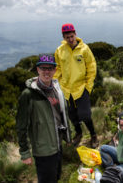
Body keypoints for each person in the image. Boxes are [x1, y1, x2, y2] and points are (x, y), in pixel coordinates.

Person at [16, 54, 71, 183]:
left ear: (55, 70)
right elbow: (21, 125)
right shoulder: (28, 94)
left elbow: (63, 114)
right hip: (43, 149)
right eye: (43, 68)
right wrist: (24, 152)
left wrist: (67, 137)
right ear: (38, 70)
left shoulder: (57, 89)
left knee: (56, 177)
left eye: (50, 68)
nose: (47, 71)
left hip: (57, 144)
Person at [53, 23, 98, 148]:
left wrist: (88, 87)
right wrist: (54, 85)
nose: (70, 39)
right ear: (63, 37)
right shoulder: (60, 50)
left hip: (81, 88)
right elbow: (57, 69)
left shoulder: (84, 49)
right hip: (66, 89)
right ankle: (79, 133)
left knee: (85, 115)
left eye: (72, 36)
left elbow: (91, 67)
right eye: (67, 37)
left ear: (75, 34)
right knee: (72, 115)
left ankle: (93, 135)